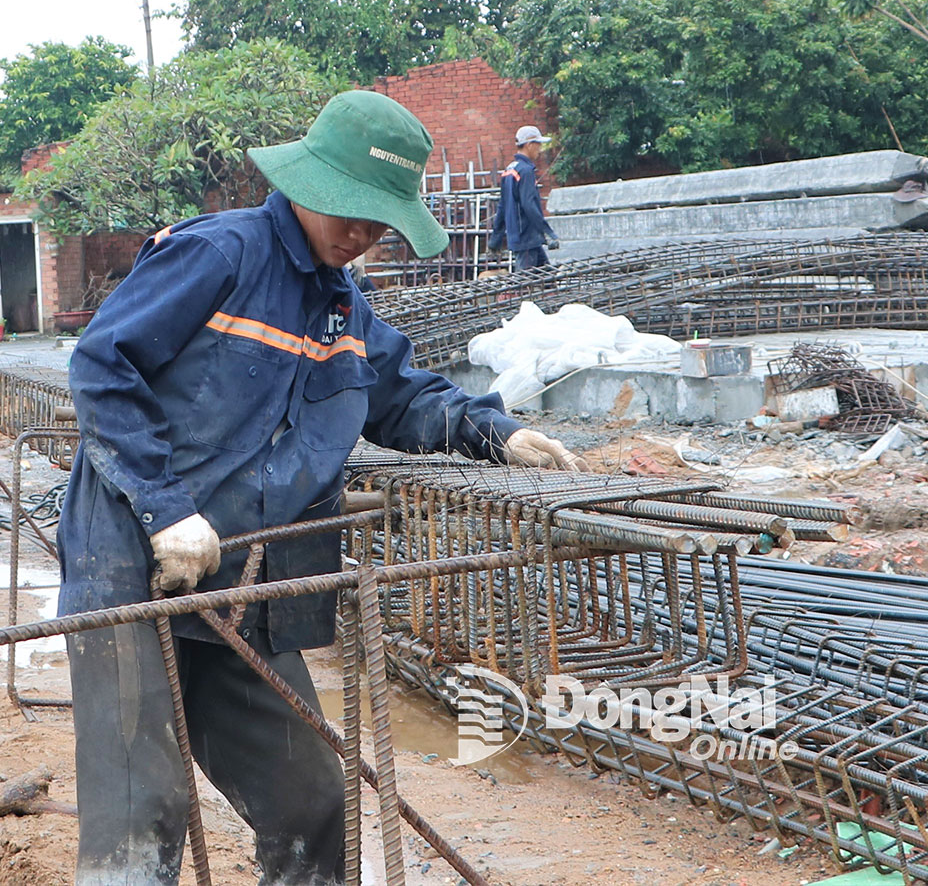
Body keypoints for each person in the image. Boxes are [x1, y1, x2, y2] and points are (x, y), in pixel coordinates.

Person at [59, 90, 583, 886]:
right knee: (145, 806)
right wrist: (166, 510)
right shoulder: (217, 256)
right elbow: (102, 364)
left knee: (314, 796)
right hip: (133, 559)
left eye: (379, 220)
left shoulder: (343, 307)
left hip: (243, 577)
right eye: (353, 210)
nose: (365, 233)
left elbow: (398, 392)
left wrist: (495, 431)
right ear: (308, 183)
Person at [487, 124, 561, 269]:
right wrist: (547, 232)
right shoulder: (525, 171)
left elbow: (502, 206)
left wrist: (495, 239)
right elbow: (529, 204)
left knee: (547, 279)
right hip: (526, 238)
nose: (540, 150)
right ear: (529, 145)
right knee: (525, 286)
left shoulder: (509, 170)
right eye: (538, 145)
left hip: (525, 239)